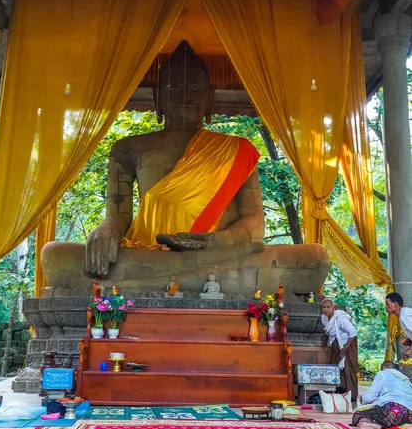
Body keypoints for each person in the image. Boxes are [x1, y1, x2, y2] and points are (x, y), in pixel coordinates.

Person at [41, 41, 330, 295]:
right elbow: (118, 218)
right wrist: (106, 229)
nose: (185, 96)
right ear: (157, 97)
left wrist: (215, 241)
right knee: (57, 257)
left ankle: (140, 286)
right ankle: (186, 280)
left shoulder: (237, 150)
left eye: (194, 89)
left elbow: (254, 223)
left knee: (313, 257)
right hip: (148, 253)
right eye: (174, 88)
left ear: (209, 96)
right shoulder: (127, 148)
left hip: (218, 254)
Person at [351, 361, 412, 429]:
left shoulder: (382, 374)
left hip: (394, 407)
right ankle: (384, 425)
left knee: (358, 415)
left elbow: (370, 397)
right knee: (396, 419)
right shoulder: (406, 379)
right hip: (409, 412)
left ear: (382, 368)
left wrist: (362, 399)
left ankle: (377, 426)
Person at [321, 298, 358, 401]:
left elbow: (353, 333)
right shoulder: (324, 318)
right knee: (336, 368)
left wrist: (345, 349)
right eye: (324, 307)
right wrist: (326, 339)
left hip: (348, 344)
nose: (326, 310)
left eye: (329, 307)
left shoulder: (341, 318)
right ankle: (338, 392)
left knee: (348, 369)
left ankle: (351, 396)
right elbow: (328, 331)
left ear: (334, 308)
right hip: (336, 344)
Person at [385, 292, 412, 358]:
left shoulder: (404, 314)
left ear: (396, 304)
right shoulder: (404, 313)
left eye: (388, 304)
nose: (386, 307)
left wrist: (410, 350)